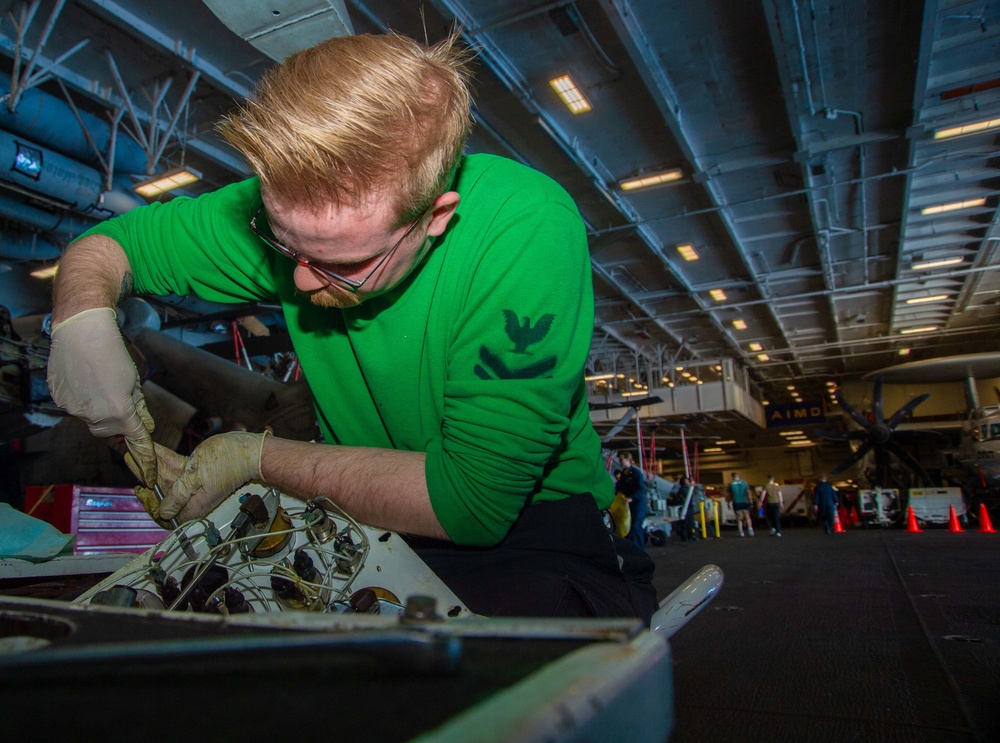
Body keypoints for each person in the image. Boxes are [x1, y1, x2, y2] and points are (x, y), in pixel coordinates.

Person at [45, 32, 656, 621]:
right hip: (357, 519)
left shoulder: (525, 231)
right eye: (285, 247)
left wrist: (254, 457)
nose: (304, 284)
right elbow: (107, 244)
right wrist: (82, 319)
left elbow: (472, 504)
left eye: (346, 263)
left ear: (436, 216)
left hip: (533, 539)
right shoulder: (292, 221)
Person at [616, 452, 648, 550]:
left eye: (622, 459)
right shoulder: (623, 474)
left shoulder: (636, 473)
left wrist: (632, 497)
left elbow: (641, 488)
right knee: (628, 527)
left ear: (628, 459)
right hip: (627, 504)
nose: (620, 461)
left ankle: (640, 550)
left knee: (635, 527)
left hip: (638, 503)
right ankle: (632, 550)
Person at [669, 475, 697, 542]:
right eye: (687, 480)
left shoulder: (686, 489)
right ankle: (686, 537)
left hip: (689, 507)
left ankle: (689, 536)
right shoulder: (684, 490)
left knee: (690, 523)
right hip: (686, 508)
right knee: (685, 523)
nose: (688, 482)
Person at [728, 472, 754, 537]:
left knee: (739, 517)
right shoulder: (744, 483)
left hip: (736, 502)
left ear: (732, 477)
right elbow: (748, 493)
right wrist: (750, 502)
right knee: (747, 516)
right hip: (744, 501)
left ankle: (741, 531)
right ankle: (750, 530)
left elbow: (730, 495)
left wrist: (728, 502)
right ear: (738, 476)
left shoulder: (731, 484)